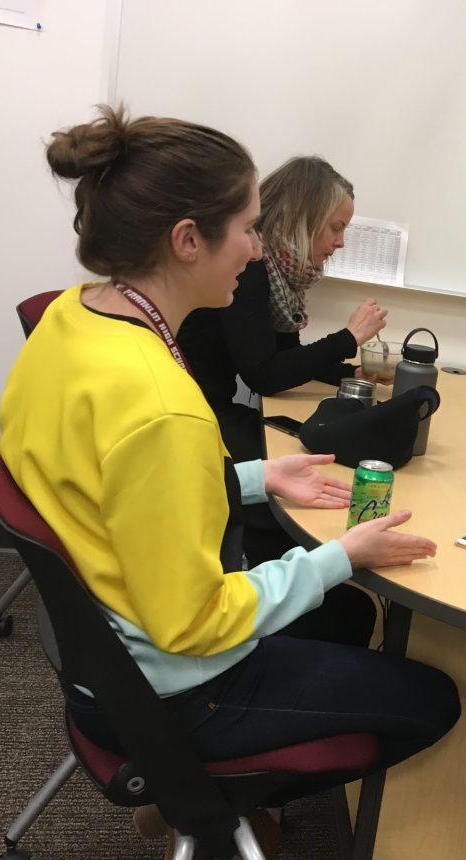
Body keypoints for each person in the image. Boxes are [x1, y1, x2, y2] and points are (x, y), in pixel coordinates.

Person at [0, 106, 460, 860]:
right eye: (247, 227)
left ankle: (214, 800)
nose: (256, 245)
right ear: (187, 241)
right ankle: (208, 809)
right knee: (432, 699)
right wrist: (342, 555)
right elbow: (197, 625)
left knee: (343, 618)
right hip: (170, 686)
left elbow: (115, 485)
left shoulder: (72, 319)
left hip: (103, 646)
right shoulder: (162, 403)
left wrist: (253, 478)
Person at [178, 158, 388, 625]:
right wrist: (349, 337)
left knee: (310, 445)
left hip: (209, 406)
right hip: (200, 416)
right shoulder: (252, 270)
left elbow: (286, 357)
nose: (339, 243)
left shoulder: (279, 275)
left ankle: (307, 571)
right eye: (335, 228)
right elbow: (265, 375)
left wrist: (352, 374)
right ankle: (285, 581)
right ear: (302, 219)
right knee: (310, 464)